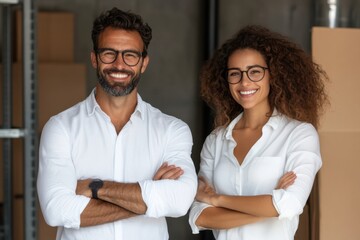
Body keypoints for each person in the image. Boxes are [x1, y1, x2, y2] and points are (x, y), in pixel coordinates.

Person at [37, 7, 197, 240]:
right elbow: (57, 211)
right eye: (109, 53)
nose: (119, 64)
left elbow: (179, 200)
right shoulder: (61, 128)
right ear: (94, 58)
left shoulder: (172, 130)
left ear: (144, 63)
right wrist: (149, 198)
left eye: (130, 55)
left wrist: (95, 188)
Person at [188, 25, 329, 240]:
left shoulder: (299, 135)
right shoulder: (216, 140)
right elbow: (200, 216)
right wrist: (271, 207)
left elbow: (291, 204)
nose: (245, 82)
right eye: (235, 74)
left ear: (273, 75)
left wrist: (218, 200)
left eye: (255, 72)